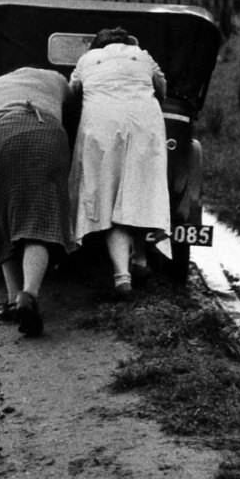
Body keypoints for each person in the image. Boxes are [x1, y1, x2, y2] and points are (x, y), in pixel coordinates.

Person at [69, 27, 171, 300]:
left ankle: (122, 277)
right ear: (127, 43)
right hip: (144, 124)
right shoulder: (143, 56)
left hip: (101, 127)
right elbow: (161, 89)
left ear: (98, 45)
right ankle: (140, 261)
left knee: (109, 197)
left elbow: (73, 94)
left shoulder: (87, 60)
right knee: (136, 190)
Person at [0, 66, 77, 337]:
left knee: (3, 222)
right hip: (49, 136)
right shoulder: (56, 80)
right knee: (41, 221)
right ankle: (29, 294)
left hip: (4, 136)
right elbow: (75, 113)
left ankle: (12, 300)